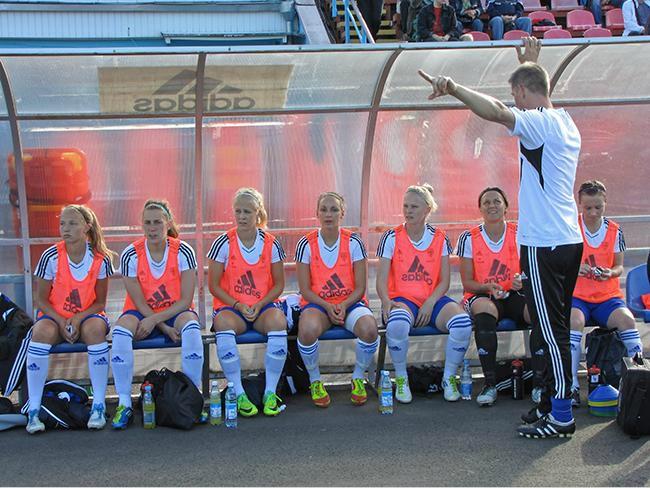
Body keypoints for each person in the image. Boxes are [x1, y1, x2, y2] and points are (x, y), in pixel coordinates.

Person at [419, 37, 583, 439]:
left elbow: (495, 111)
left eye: (516, 96)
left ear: (523, 92)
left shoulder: (539, 123)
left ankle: (561, 415)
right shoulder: (563, 120)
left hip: (544, 244)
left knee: (552, 332)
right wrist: (532, 65)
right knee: (553, 328)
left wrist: (453, 88)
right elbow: (539, 94)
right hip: (566, 239)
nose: (514, 104)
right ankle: (550, 403)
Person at [376, 184, 473, 403]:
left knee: (462, 323)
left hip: (433, 299)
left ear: (427, 209)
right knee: (397, 324)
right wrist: (386, 301)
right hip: (403, 300)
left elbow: (444, 281)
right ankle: (401, 379)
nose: (408, 211)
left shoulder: (440, 237)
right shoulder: (391, 236)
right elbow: (381, 280)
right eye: (405, 206)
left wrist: (430, 302)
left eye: (414, 207)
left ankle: (448, 378)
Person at [111, 199, 202, 429]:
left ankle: (192, 398)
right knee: (120, 332)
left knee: (192, 329)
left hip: (174, 312)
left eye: (157, 222)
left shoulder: (184, 251)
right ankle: (124, 404)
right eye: (148, 223)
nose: (152, 228)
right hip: (141, 313)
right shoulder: (131, 254)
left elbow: (185, 301)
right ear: (142, 224)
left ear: (168, 223)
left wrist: (156, 321)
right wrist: (160, 325)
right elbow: (139, 302)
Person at [26, 205, 115, 434]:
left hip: (87, 316)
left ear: (87, 227)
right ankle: (34, 410)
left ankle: (98, 406)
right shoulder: (50, 256)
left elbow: (100, 303)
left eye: (72, 223)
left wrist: (76, 319)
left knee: (95, 330)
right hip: (55, 317)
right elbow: (41, 301)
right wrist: (62, 321)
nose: (65, 228)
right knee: (40, 331)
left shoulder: (100, 259)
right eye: (62, 223)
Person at [457, 187, 545, 406]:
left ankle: (539, 384)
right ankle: (490, 384)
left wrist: (522, 281)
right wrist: (487, 287)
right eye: (486, 202)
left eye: (497, 201)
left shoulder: (520, 232)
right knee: (484, 311)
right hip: (483, 295)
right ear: (480, 209)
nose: (492, 206)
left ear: (506, 206)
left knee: (537, 311)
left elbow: (533, 269)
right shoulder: (468, 237)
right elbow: (467, 283)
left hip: (514, 294)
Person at [208, 188, 288, 417]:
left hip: (262, 308)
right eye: (238, 211)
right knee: (223, 323)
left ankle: (270, 392)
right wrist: (238, 305)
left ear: (258, 213)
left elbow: (279, 285)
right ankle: (238, 392)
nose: (241, 216)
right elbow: (214, 286)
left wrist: (260, 304)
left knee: (278, 321)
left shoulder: (271, 243)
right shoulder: (222, 242)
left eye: (247, 212)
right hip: (233, 309)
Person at [295, 192, 379, 408]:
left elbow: (360, 287)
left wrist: (343, 305)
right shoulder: (305, 243)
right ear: (316, 213)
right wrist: (327, 306)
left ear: (342, 213)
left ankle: (358, 378)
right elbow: (305, 290)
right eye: (323, 209)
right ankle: (315, 380)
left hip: (349, 303)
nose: (328, 214)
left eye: (333, 210)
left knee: (370, 330)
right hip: (318, 305)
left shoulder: (354, 242)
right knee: (307, 330)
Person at [569, 180, 642, 406]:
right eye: (588, 207)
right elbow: (559, 263)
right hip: (577, 296)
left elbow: (619, 267)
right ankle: (571, 386)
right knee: (574, 322)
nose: (593, 213)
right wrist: (575, 268)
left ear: (605, 203)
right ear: (579, 204)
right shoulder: (570, 226)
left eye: (598, 207)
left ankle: (640, 380)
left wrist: (609, 272)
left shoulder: (614, 230)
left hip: (606, 297)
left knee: (627, 321)